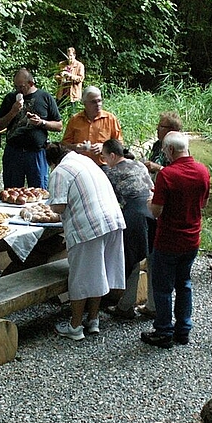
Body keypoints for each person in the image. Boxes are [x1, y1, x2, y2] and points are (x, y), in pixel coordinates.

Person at [45, 143, 126, 340]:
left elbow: (58, 206)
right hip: (111, 220)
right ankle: (93, 319)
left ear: (52, 162)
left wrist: (49, 207)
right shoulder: (85, 160)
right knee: (98, 272)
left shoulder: (60, 171)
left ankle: (74, 327)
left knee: (80, 277)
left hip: (89, 225)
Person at [140, 132, 210, 348]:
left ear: (170, 150)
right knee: (184, 283)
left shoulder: (167, 175)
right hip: (192, 239)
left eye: (164, 151)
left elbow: (157, 212)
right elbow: (203, 205)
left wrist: (150, 201)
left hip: (169, 240)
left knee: (162, 287)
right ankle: (183, 329)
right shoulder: (203, 171)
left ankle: (163, 331)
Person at [138, 111, 184, 318]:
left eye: (161, 127)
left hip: (165, 207)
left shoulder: (179, 148)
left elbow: (178, 173)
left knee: (160, 260)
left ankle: (158, 309)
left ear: (171, 131)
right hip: (153, 195)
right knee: (151, 254)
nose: (157, 129)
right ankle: (153, 301)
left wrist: (159, 168)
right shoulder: (158, 146)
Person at [102, 139, 154, 319]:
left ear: (113, 155)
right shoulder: (139, 164)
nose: (103, 160)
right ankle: (153, 306)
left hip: (135, 214)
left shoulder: (111, 171)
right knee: (152, 260)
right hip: (153, 210)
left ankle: (125, 306)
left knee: (131, 260)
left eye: (104, 156)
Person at [0, 69, 62, 189]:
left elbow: (59, 126)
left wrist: (42, 122)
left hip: (36, 152)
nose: (18, 90)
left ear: (31, 83)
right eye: (15, 86)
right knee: (11, 190)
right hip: (14, 152)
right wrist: (13, 111)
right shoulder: (10, 98)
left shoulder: (44, 97)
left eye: (21, 87)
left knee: (39, 190)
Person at [61, 86, 123, 169]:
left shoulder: (110, 118)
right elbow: (64, 145)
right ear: (84, 103)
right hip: (80, 165)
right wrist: (76, 147)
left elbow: (120, 144)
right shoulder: (75, 120)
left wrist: (104, 147)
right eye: (93, 102)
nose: (98, 104)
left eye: (100, 101)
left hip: (104, 165)